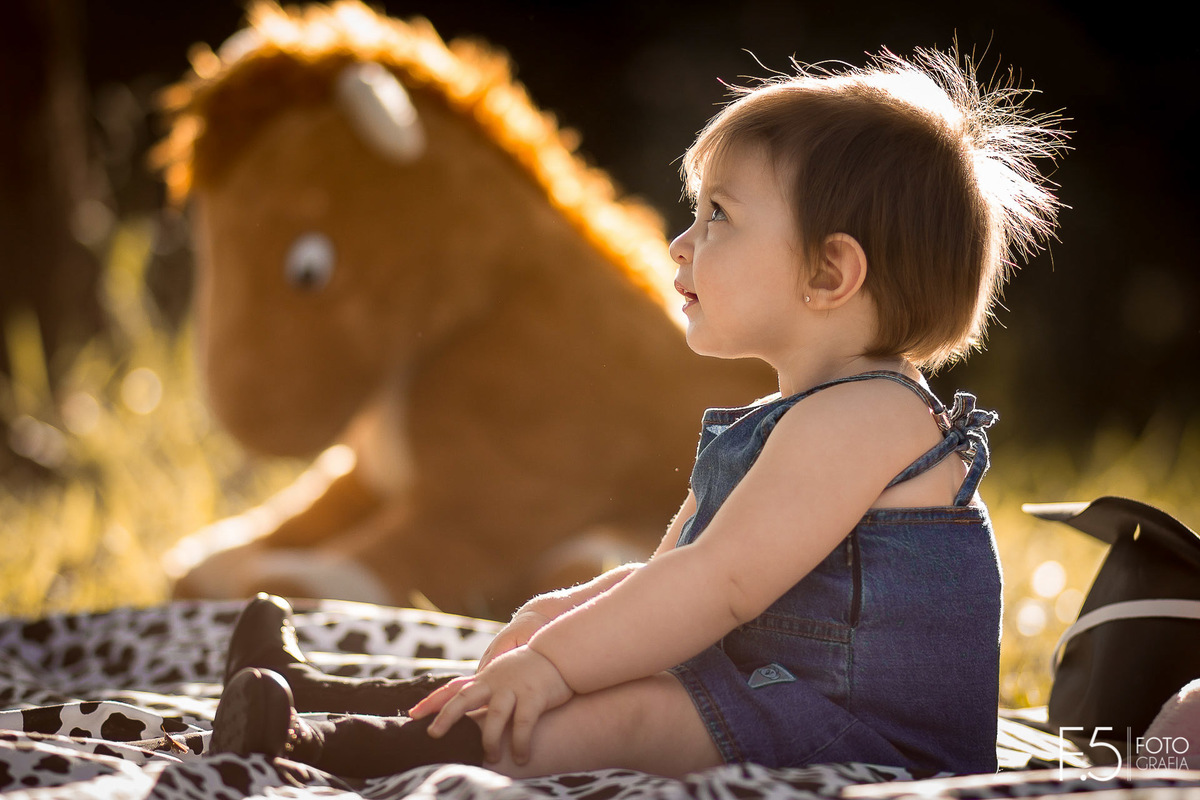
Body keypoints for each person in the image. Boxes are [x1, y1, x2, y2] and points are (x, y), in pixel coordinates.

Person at [209, 46, 1065, 779]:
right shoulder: (782, 415)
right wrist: (562, 623)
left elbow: (716, 587)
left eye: (719, 217)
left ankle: (339, 745)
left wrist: (555, 666)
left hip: (873, 742)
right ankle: (323, 689)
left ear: (829, 275)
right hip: (777, 690)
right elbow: (673, 570)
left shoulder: (872, 419)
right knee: (558, 649)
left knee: (627, 714)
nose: (681, 244)